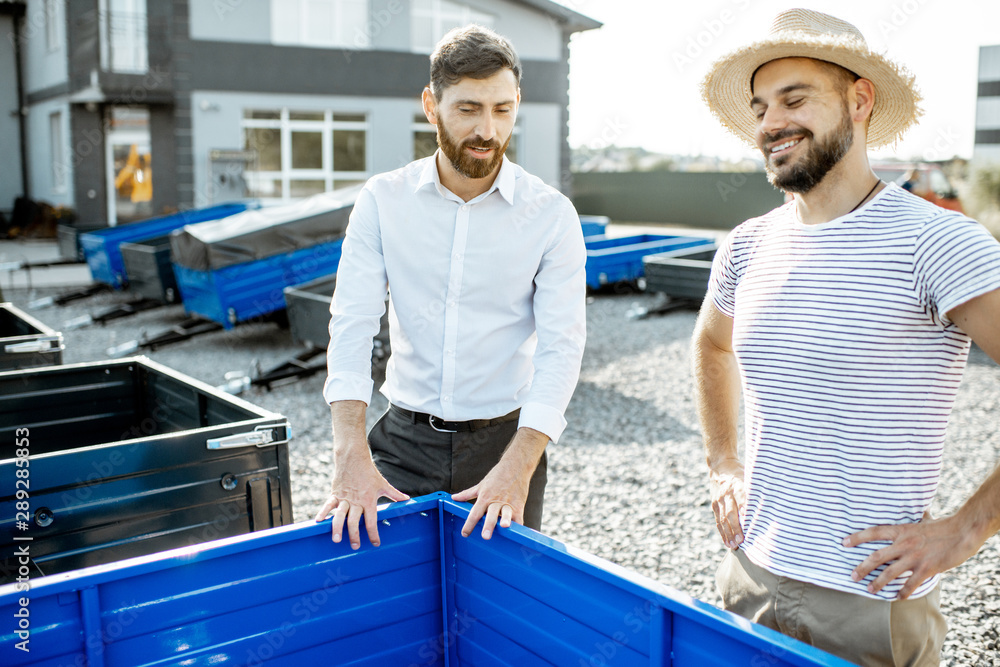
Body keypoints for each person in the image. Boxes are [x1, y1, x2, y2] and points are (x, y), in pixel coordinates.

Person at [694, 9, 1000, 665]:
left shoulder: (938, 242)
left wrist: (967, 528)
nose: (771, 122)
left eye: (794, 98)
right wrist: (724, 464)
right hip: (751, 573)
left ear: (860, 100)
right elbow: (710, 346)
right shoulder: (746, 246)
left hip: (870, 601)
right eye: (760, 106)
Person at [315, 25, 586, 550]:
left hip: (506, 445)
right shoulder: (383, 200)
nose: (488, 129)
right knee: (380, 594)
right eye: (468, 109)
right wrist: (349, 452)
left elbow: (562, 347)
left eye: (502, 109)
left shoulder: (551, 216)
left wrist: (521, 464)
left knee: (498, 606)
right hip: (401, 443)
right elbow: (351, 323)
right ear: (430, 105)